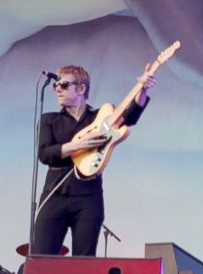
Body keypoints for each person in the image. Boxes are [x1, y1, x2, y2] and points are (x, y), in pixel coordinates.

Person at [33, 64, 156, 257]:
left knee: (84, 261)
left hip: (88, 198)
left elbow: (129, 116)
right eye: (55, 85)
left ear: (81, 89)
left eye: (63, 84)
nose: (57, 89)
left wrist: (143, 88)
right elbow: (45, 154)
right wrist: (77, 145)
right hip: (54, 194)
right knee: (41, 257)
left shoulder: (99, 118)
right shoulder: (50, 120)